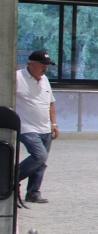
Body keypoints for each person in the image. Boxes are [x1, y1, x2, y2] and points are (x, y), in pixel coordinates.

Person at [16, 50, 59, 204]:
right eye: (42, 65)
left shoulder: (45, 79)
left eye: (47, 66)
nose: (45, 69)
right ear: (32, 64)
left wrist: (53, 124)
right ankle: (10, 180)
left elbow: (50, 103)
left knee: (42, 162)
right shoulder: (17, 77)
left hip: (45, 128)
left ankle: (33, 192)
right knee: (39, 156)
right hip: (26, 127)